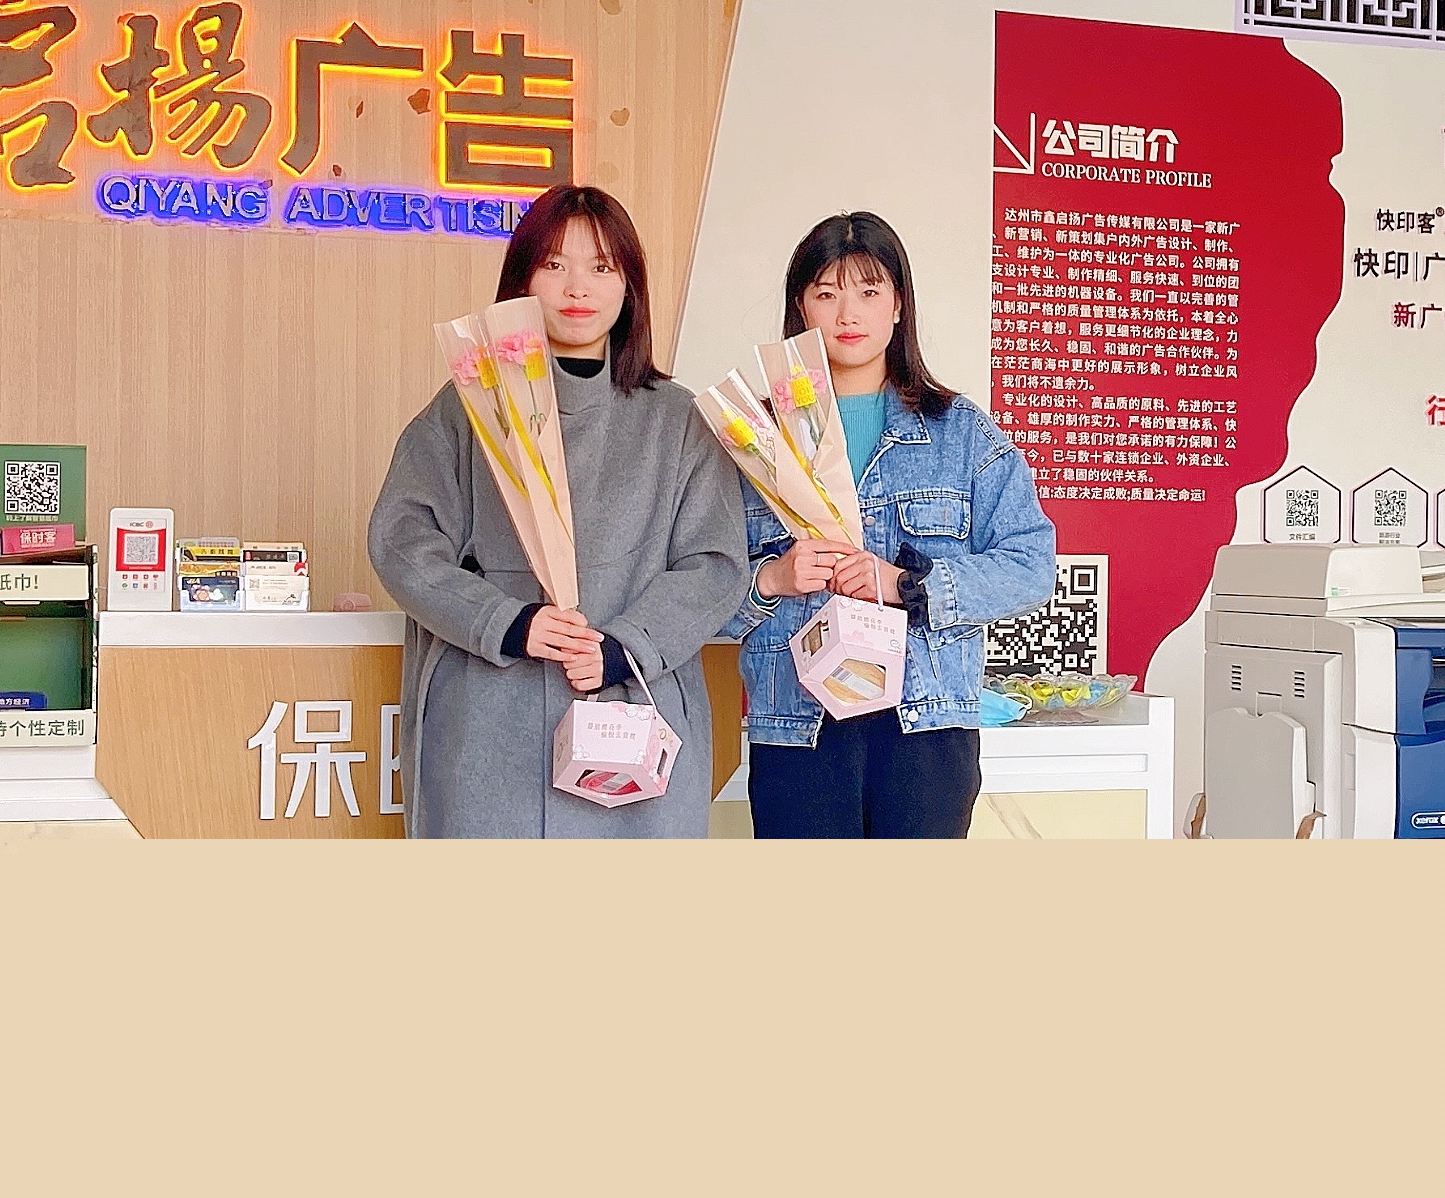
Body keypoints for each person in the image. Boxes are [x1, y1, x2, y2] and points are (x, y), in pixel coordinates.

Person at [369, 185, 749, 838]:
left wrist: (625, 647)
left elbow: (715, 565)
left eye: (601, 267)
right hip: (491, 729)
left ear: (629, 285)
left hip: (631, 723)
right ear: (522, 280)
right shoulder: (467, 409)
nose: (578, 287)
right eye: (554, 264)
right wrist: (507, 622)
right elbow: (402, 539)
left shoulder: (678, 419)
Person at [725, 212, 1056, 838]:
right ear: (801, 309)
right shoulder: (753, 439)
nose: (848, 314)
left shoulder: (961, 433)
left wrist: (907, 585)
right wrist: (771, 579)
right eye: (827, 293)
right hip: (797, 727)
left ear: (898, 305)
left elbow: (1031, 567)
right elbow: (700, 589)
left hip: (924, 731)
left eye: (869, 291)